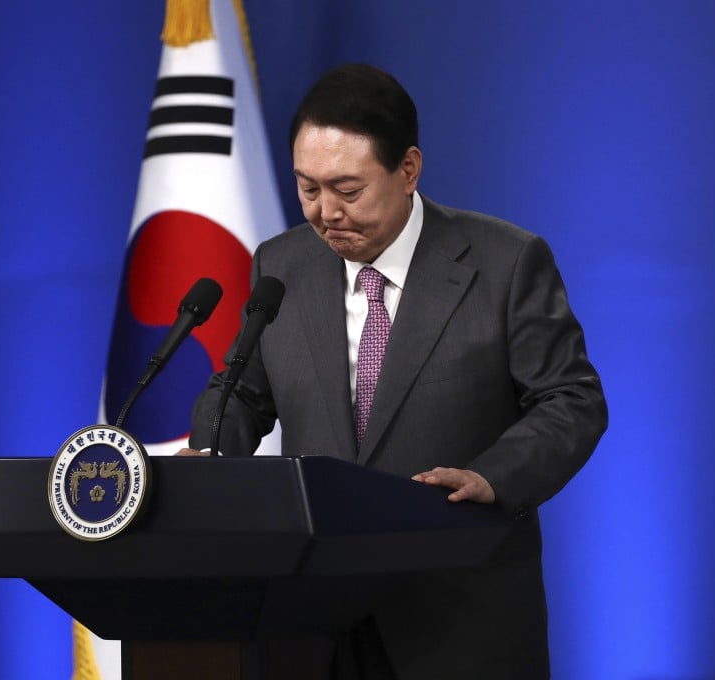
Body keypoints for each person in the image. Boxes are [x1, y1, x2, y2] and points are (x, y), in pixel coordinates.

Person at [181, 63, 608, 680]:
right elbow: (242, 390)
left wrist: (492, 477)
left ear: (408, 169)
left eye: (348, 190)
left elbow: (572, 399)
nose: (325, 212)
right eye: (307, 188)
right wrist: (212, 451)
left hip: (458, 617)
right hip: (314, 618)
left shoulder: (505, 262)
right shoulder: (282, 265)